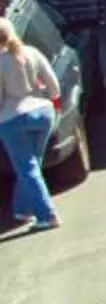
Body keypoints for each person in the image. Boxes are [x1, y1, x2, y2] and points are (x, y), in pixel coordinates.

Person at [0, 16, 62, 233]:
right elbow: (54, 86)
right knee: (32, 165)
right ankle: (23, 209)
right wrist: (55, 103)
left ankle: (48, 215)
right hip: (43, 112)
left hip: (12, 119)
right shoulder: (31, 52)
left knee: (27, 168)